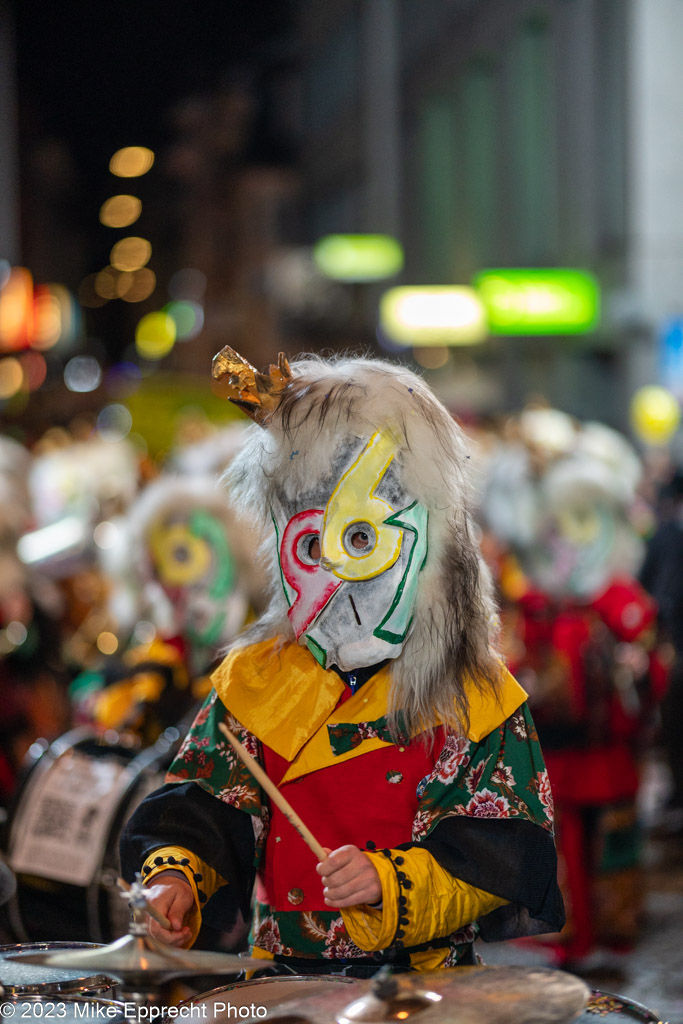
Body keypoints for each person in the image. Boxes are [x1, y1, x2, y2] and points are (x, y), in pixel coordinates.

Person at [120, 348, 564, 975]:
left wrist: (391, 880)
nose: (331, 582)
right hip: (280, 985)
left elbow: (500, 855)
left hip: (417, 989)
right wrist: (176, 881)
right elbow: (205, 808)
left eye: (360, 541)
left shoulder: (473, 697)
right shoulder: (259, 680)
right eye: (309, 544)